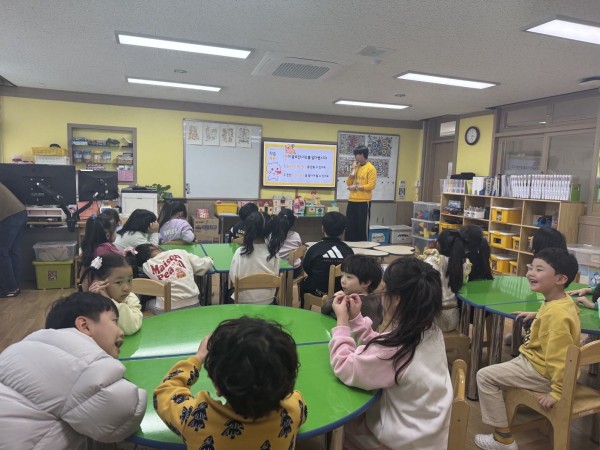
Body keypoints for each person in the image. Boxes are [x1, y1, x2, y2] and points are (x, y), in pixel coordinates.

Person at [328, 257, 452, 449]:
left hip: (403, 442)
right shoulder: (430, 330)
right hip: (430, 434)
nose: (381, 294)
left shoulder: (394, 349)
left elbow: (344, 366)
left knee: (343, 425)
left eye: (385, 289)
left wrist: (342, 323)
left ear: (396, 300)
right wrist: (357, 320)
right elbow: (382, 347)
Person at [0, 292, 147, 449]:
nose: (121, 331)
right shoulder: (85, 362)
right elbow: (125, 416)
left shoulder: (23, 346)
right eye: (114, 322)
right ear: (84, 326)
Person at [475, 248, 580, 450]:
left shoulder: (556, 317)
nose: (530, 273)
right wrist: (537, 315)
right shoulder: (560, 300)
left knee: (484, 377)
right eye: (531, 267)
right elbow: (554, 315)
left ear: (560, 279)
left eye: (539, 269)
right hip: (536, 361)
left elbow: (559, 358)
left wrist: (558, 392)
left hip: (541, 371)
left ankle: (503, 439)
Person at [154, 317, 307, 450]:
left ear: (217, 386)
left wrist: (198, 358)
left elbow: (163, 393)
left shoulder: (194, 419)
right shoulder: (295, 408)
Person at [127, 243, 213, 312]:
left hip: (165, 309)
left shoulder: (146, 266)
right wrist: (209, 259)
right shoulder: (179, 252)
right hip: (193, 304)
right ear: (153, 247)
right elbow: (203, 265)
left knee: (148, 303)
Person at [419, 229, 472, 332]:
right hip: (453, 318)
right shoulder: (463, 263)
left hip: (433, 318)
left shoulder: (433, 261)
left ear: (438, 245)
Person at [80, 252, 143, 335]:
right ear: (99, 283)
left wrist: (109, 301)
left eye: (129, 280)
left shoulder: (130, 298)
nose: (126, 288)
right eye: (119, 282)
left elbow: (131, 327)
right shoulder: (90, 303)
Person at [229, 211, 284, 304]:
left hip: (243, 302)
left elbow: (233, 278)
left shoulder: (240, 252)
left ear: (248, 229)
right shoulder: (274, 254)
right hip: (268, 302)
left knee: (228, 293)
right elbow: (275, 276)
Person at [300, 212, 354, 304]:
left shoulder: (314, 249)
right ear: (343, 231)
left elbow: (307, 268)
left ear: (322, 228)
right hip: (341, 292)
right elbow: (351, 271)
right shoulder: (348, 251)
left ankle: (304, 309)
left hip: (317, 290)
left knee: (304, 283)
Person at [321, 254, 383, 330]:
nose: (343, 281)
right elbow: (380, 320)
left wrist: (334, 298)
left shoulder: (350, 302)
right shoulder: (376, 298)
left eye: (349, 277)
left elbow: (324, 310)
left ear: (366, 282)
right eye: (342, 275)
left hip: (344, 335)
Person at [0, 182, 27, 298]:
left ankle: (9, 288)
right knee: (12, 251)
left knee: (2, 252)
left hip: (8, 216)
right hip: (19, 212)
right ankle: (14, 286)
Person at [345, 145, 377, 241]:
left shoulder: (371, 168)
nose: (355, 157)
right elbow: (348, 183)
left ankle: (362, 247)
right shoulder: (356, 167)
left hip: (363, 202)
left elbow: (371, 185)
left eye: (356, 155)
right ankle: (350, 246)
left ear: (362, 155)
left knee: (361, 227)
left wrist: (356, 187)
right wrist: (353, 170)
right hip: (352, 200)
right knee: (350, 226)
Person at [276, 208, 302, 273]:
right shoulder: (296, 235)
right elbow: (300, 247)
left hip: (278, 271)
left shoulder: (272, 235)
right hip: (295, 270)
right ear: (292, 223)